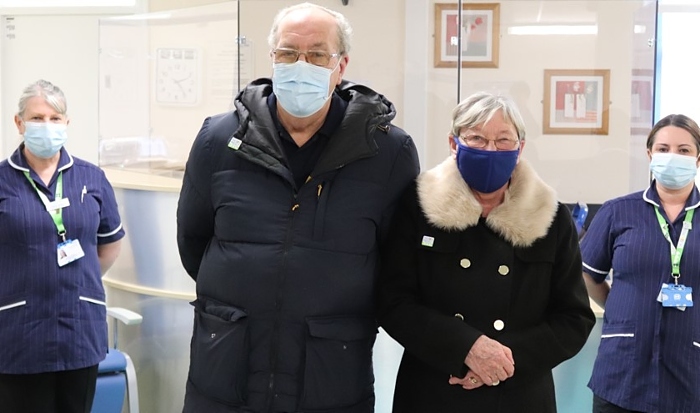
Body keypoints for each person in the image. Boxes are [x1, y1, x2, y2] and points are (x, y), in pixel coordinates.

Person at [176, 3, 420, 412]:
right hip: (227, 371)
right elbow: (193, 243)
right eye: (288, 53)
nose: (301, 64)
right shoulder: (218, 139)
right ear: (272, 58)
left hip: (329, 374)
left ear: (340, 66)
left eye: (317, 54)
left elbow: (398, 262)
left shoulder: (387, 151)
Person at [377, 91, 596, 413]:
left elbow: (574, 317)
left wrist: (503, 361)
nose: (490, 150)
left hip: (519, 394)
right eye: (476, 138)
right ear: (454, 144)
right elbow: (392, 301)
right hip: (434, 389)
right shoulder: (418, 205)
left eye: (503, 140)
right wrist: (466, 348)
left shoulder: (549, 216)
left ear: (520, 148)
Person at [0, 79, 125, 412]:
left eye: (55, 119)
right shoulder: (2, 181)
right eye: (37, 118)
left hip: (78, 328)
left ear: (66, 123)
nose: (47, 126)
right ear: (19, 123)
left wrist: (77, 277)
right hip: (17, 332)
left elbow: (110, 244)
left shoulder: (91, 178)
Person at [581, 114, 700, 413]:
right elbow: (586, 274)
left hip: (690, 375)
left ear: (698, 158)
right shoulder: (617, 212)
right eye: (663, 149)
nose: (672, 157)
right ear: (649, 155)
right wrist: (621, 307)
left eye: (684, 150)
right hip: (622, 375)